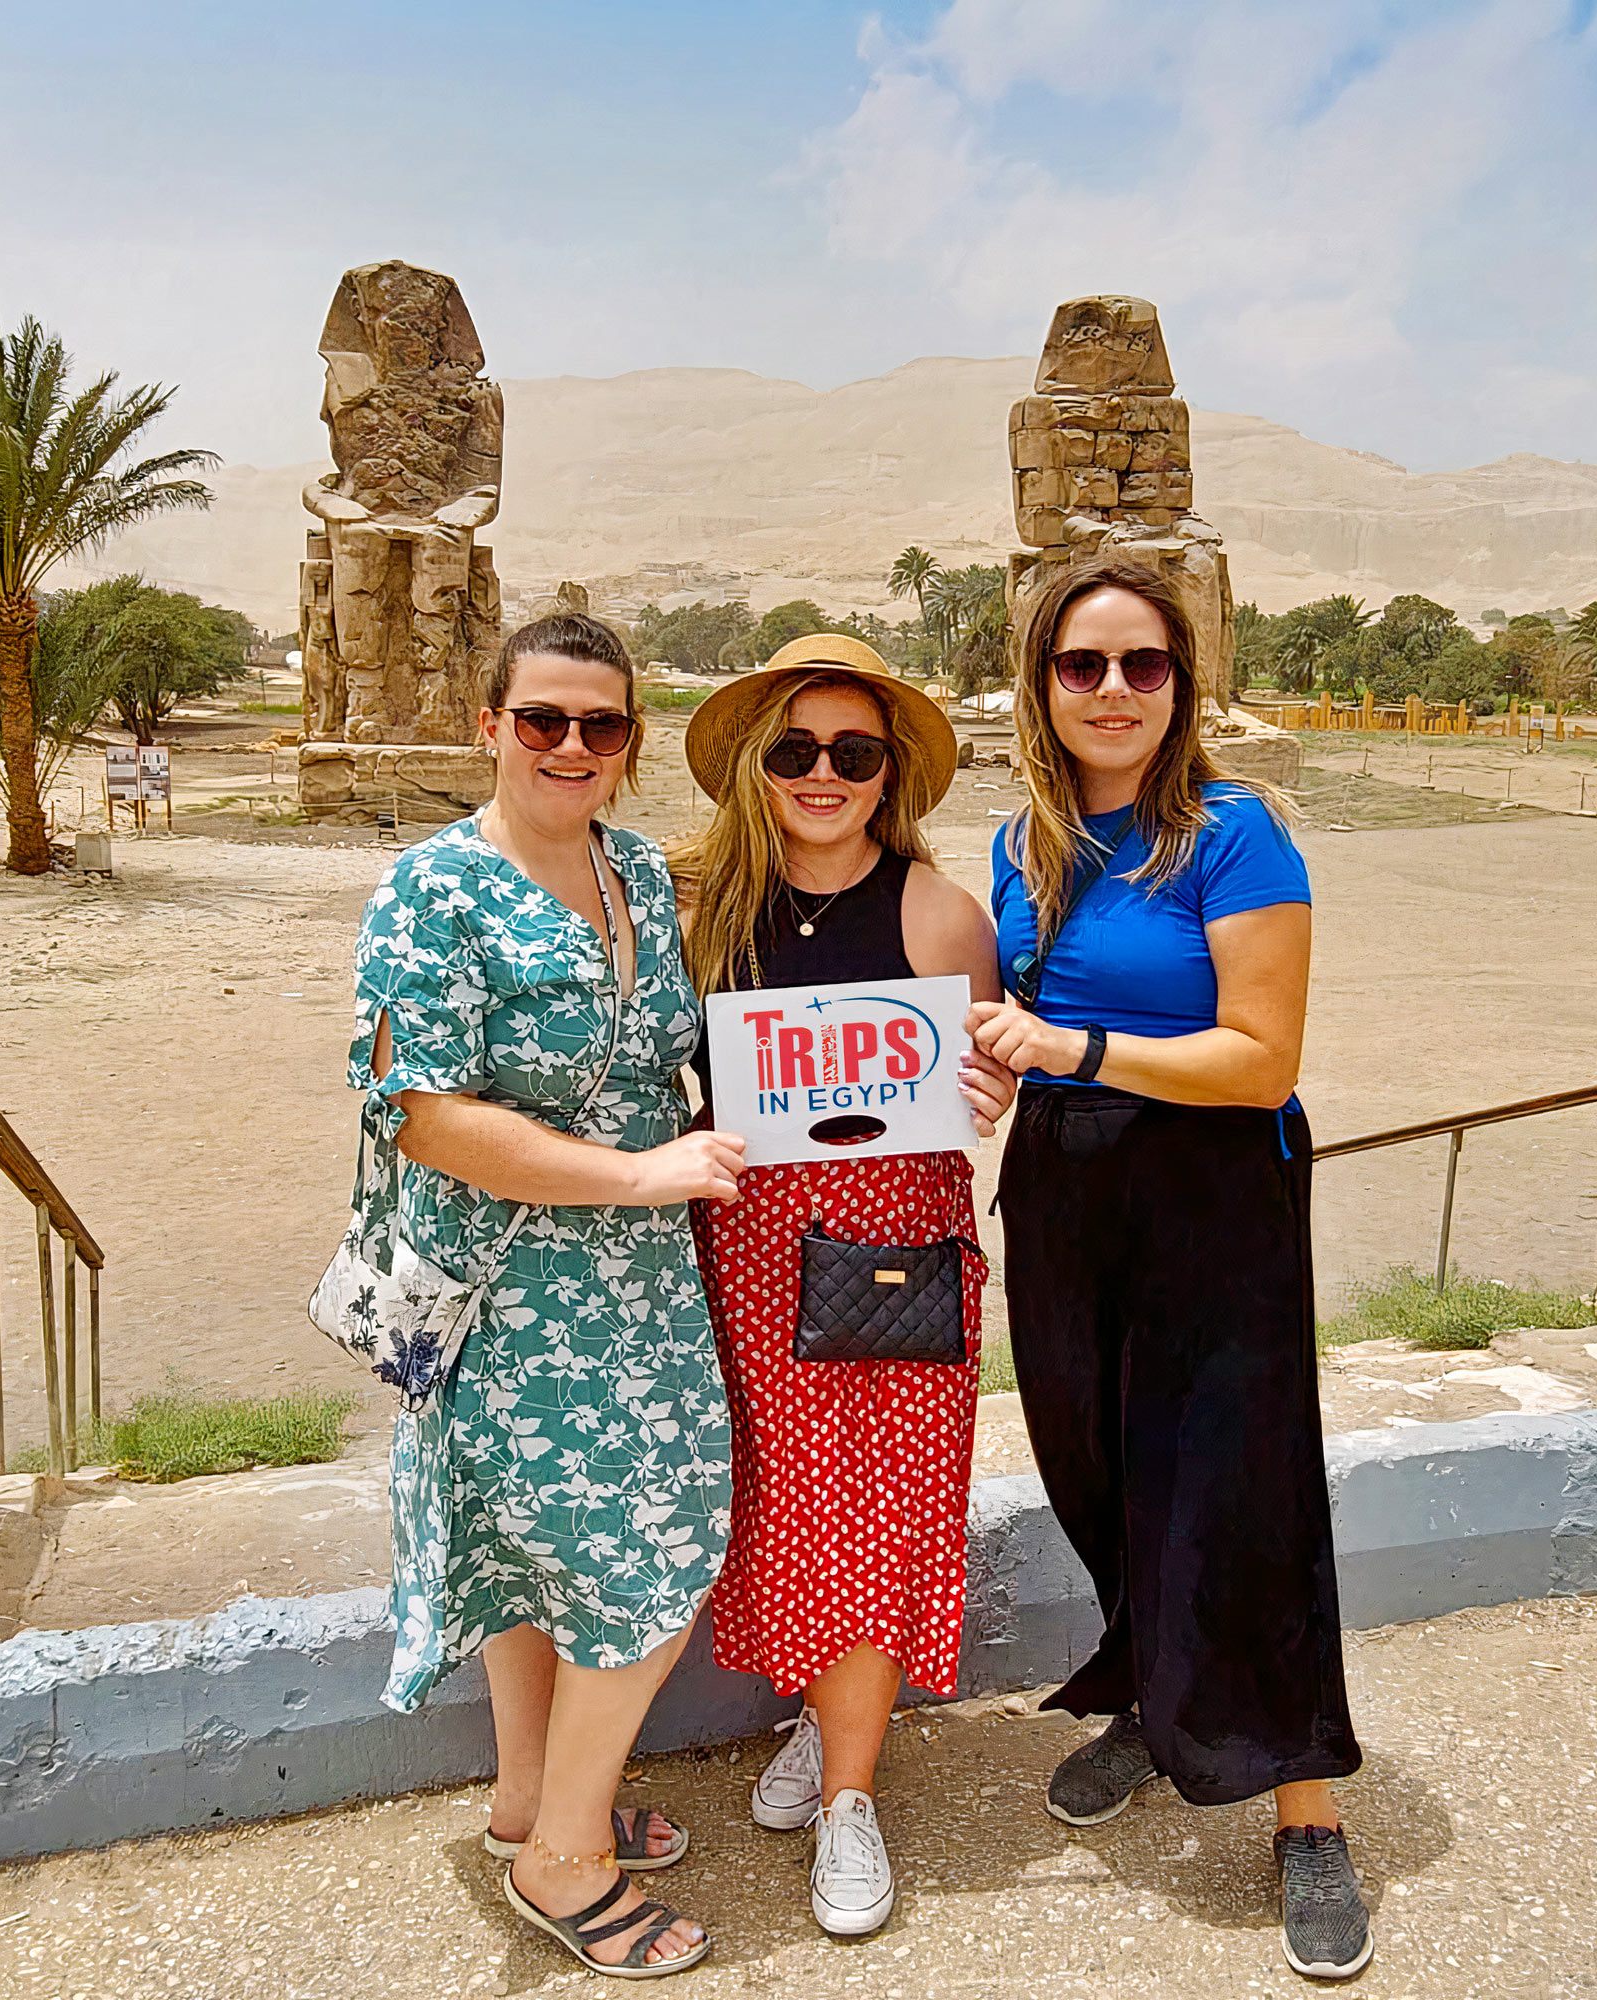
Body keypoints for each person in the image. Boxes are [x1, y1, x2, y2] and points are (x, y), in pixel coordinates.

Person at [968, 559, 1373, 1983]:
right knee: (1094, 1461)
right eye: (1084, 667)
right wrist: (980, 1073)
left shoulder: (1233, 830)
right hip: (1065, 1187)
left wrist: (1065, 1050)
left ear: (1180, 684)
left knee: (1236, 1482)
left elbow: (1261, 1055)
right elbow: (1014, 1015)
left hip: (1211, 1183)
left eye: (1144, 665)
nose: (1115, 692)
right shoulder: (1022, 843)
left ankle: (1304, 1805)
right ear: (1043, 686)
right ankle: (1155, 1695)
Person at [348, 612, 742, 1978]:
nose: (571, 747)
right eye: (542, 721)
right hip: (509, 1295)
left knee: (547, 1556)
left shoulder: (638, 871)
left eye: (601, 725)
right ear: (490, 726)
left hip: (639, 1287)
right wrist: (639, 1175)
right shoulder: (432, 888)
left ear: (630, 743)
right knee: (655, 1548)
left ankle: (532, 1797)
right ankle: (563, 1861)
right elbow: (423, 1113)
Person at [674, 634, 1015, 1939]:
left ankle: (849, 1801)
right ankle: (824, 1722)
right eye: (795, 749)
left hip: (892, 1259)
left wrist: (995, 1088)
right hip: (747, 1256)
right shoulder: (697, 904)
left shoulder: (937, 916)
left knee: (877, 1512)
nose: (823, 774)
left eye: (852, 754)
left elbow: (977, 1087)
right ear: (756, 767)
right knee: (777, 1508)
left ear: (888, 778)